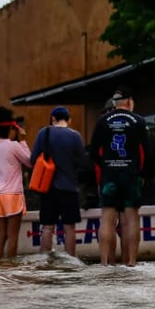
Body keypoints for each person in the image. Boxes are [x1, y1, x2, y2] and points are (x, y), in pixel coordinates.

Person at [89, 88, 150, 266]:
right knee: (131, 219)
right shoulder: (139, 121)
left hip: (110, 174)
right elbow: (148, 152)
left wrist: (105, 165)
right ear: (130, 101)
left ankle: (104, 262)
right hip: (131, 173)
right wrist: (141, 172)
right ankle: (131, 262)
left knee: (107, 218)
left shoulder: (102, 121)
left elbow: (93, 151)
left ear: (114, 103)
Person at [30, 106, 89, 257]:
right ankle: (71, 260)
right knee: (70, 228)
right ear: (69, 120)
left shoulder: (44, 133)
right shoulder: (75, 136)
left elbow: (33, 159)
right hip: (69, 187)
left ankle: (45, 260)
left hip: (47, 188)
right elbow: (83, 162)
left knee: (47, 227)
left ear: (53, 119)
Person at [0, 109, 32, 259]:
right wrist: (23, 141)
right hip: (12, 194)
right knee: (13, 235)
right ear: (11, 129)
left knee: (1, 235)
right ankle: (11, 267)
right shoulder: (14, 146)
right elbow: (29, 162)